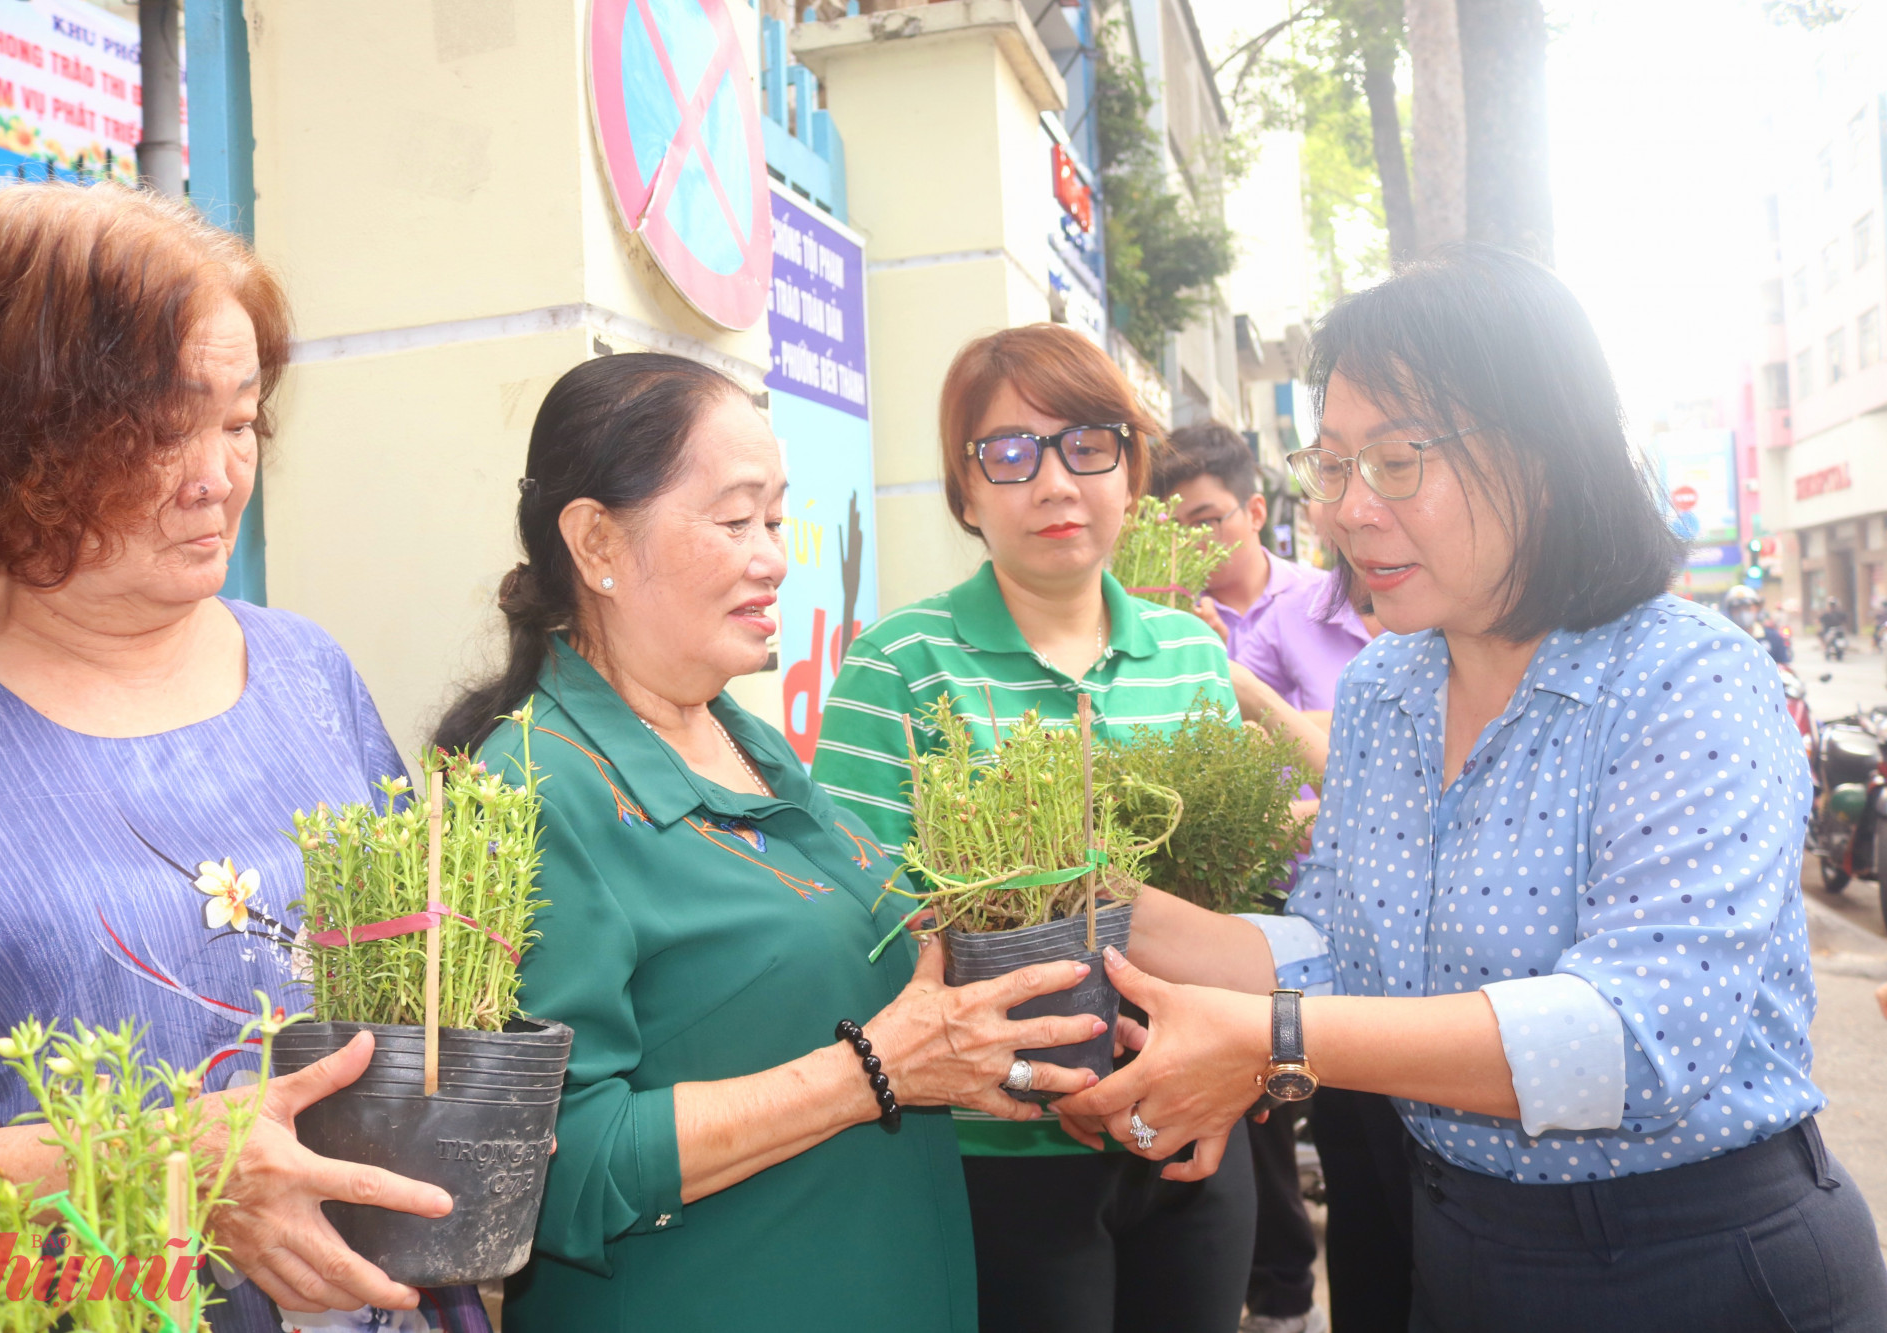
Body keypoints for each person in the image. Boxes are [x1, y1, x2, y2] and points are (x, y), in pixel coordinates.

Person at [1059, 246, 1887, 1331]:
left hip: (1696, 1262)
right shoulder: (1385, 686)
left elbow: (1638, 1036)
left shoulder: (1686, 679)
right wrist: (1095, 905)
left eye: (1397, 462)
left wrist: (1272, 1041)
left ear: (1541, 453)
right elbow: (1341, 946)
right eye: (1333, 463)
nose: (1349, 510)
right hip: (1457, 1246)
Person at [0, 183, 485, 1333]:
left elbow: (421, 1009)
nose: (216, 475)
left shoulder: (308, 674)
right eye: (164, 432)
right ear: (16, 436)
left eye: (240, 420)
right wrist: (162, 1160)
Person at [435, 353, 1107, 1332]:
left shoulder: (750, 747)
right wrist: (870, 1069)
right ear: (594, 541)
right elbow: (557, 1168)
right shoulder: (533, 789)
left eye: (776, 519)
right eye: (734, 518)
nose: (773, 557)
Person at [813, 323, 1326, 1333]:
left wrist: (1226, 1069)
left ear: (1129, 473)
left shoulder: (1183, 651)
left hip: (1181, 1132)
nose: (1053, 483)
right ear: (964, 492)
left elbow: (1230, 899)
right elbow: (853, 914)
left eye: (1086, 444)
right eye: (1007, 452)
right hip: (995, 1154)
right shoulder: (900, 664)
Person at [1154, 426, 1399, 1333]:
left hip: (1353, 940)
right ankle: (1281, 1298)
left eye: (1210, 518)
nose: (1198, 543)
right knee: (1292, 1129)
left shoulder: (1345, 618)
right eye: (1177, 528)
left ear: (1258, 511)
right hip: (1275, 919)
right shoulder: (1173, 634)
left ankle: (1286, 1295)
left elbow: (1361, 778)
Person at [1160, 421, 1370, 717]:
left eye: (1204, 523)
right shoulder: (1171, 621)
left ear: (1256, 513)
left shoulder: (1325, 600)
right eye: (1172, 529)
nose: (1188, 542)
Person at [1723, 583, 1791, 665]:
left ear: (1757, 608)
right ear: (1730, 611)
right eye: (1737, 608)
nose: (1743, 612)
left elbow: (1783, 666)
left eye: (1747, 607)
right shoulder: (1725, 639)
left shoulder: (1773, 637)